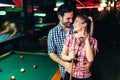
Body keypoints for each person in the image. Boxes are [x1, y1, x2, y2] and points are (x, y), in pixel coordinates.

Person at [47, 4, 92, 79]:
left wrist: (89, 63)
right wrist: (63, 63)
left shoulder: (77, 27)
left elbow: (90, 45)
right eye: (68, 18)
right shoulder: (52, 32)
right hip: (65, 70)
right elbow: (51, 52)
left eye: (72, 18)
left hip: (82, 71)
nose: (71, 21)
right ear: (60, 17)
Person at [61, 14, 98, 80]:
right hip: (71, 75)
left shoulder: (93, 41)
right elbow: (63, 56)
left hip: (85, 77)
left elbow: (90, 59)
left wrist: (86, 39)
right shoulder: (69, 38)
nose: (73, 24)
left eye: (76, 21)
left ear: (84, 24)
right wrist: (69, 57)